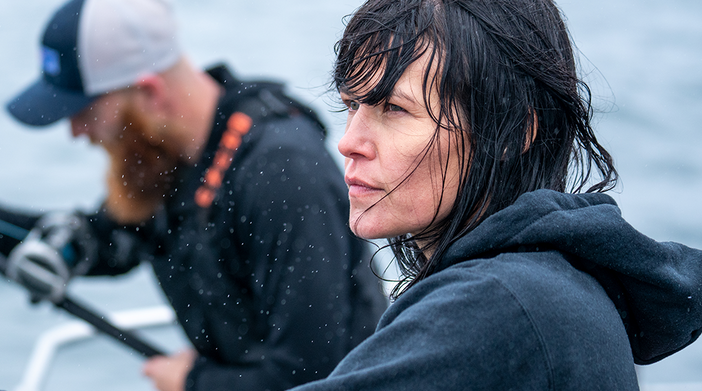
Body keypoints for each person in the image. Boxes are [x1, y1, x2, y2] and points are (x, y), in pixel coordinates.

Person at [0, 0, 388, 390]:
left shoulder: (282, 170)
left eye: (83, 112)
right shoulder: (173, 156)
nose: (75, 132)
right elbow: (102, 241)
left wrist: (193, 382)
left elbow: (310, 375)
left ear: (146, 92)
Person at [282, 0, 702, 389]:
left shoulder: (502, 305)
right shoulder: (549, 281)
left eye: (394, 108)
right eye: (353, 106)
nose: (349, 142)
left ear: (511, 132)